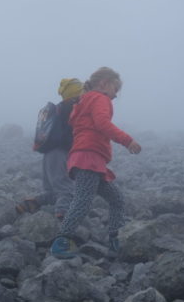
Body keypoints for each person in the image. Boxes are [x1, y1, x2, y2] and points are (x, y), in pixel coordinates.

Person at [50, 67, 142, 259]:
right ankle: (61, 242)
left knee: (116, 199)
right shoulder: (100, 99)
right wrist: (127, 140)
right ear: (104, 83)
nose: (115, 95)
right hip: (89, 156)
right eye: (115, 89)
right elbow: (102, 124)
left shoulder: (82, 102)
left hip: (88, 158)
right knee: (82, 200)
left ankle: (115, 240)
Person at [16, 78, 83, 219]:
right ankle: (63, 219)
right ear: (76, 94)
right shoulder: (72, 107)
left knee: (53, 190)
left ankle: (32, 203)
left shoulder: (60, 108)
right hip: (60, 154)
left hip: (49, 153)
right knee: (66, 190)